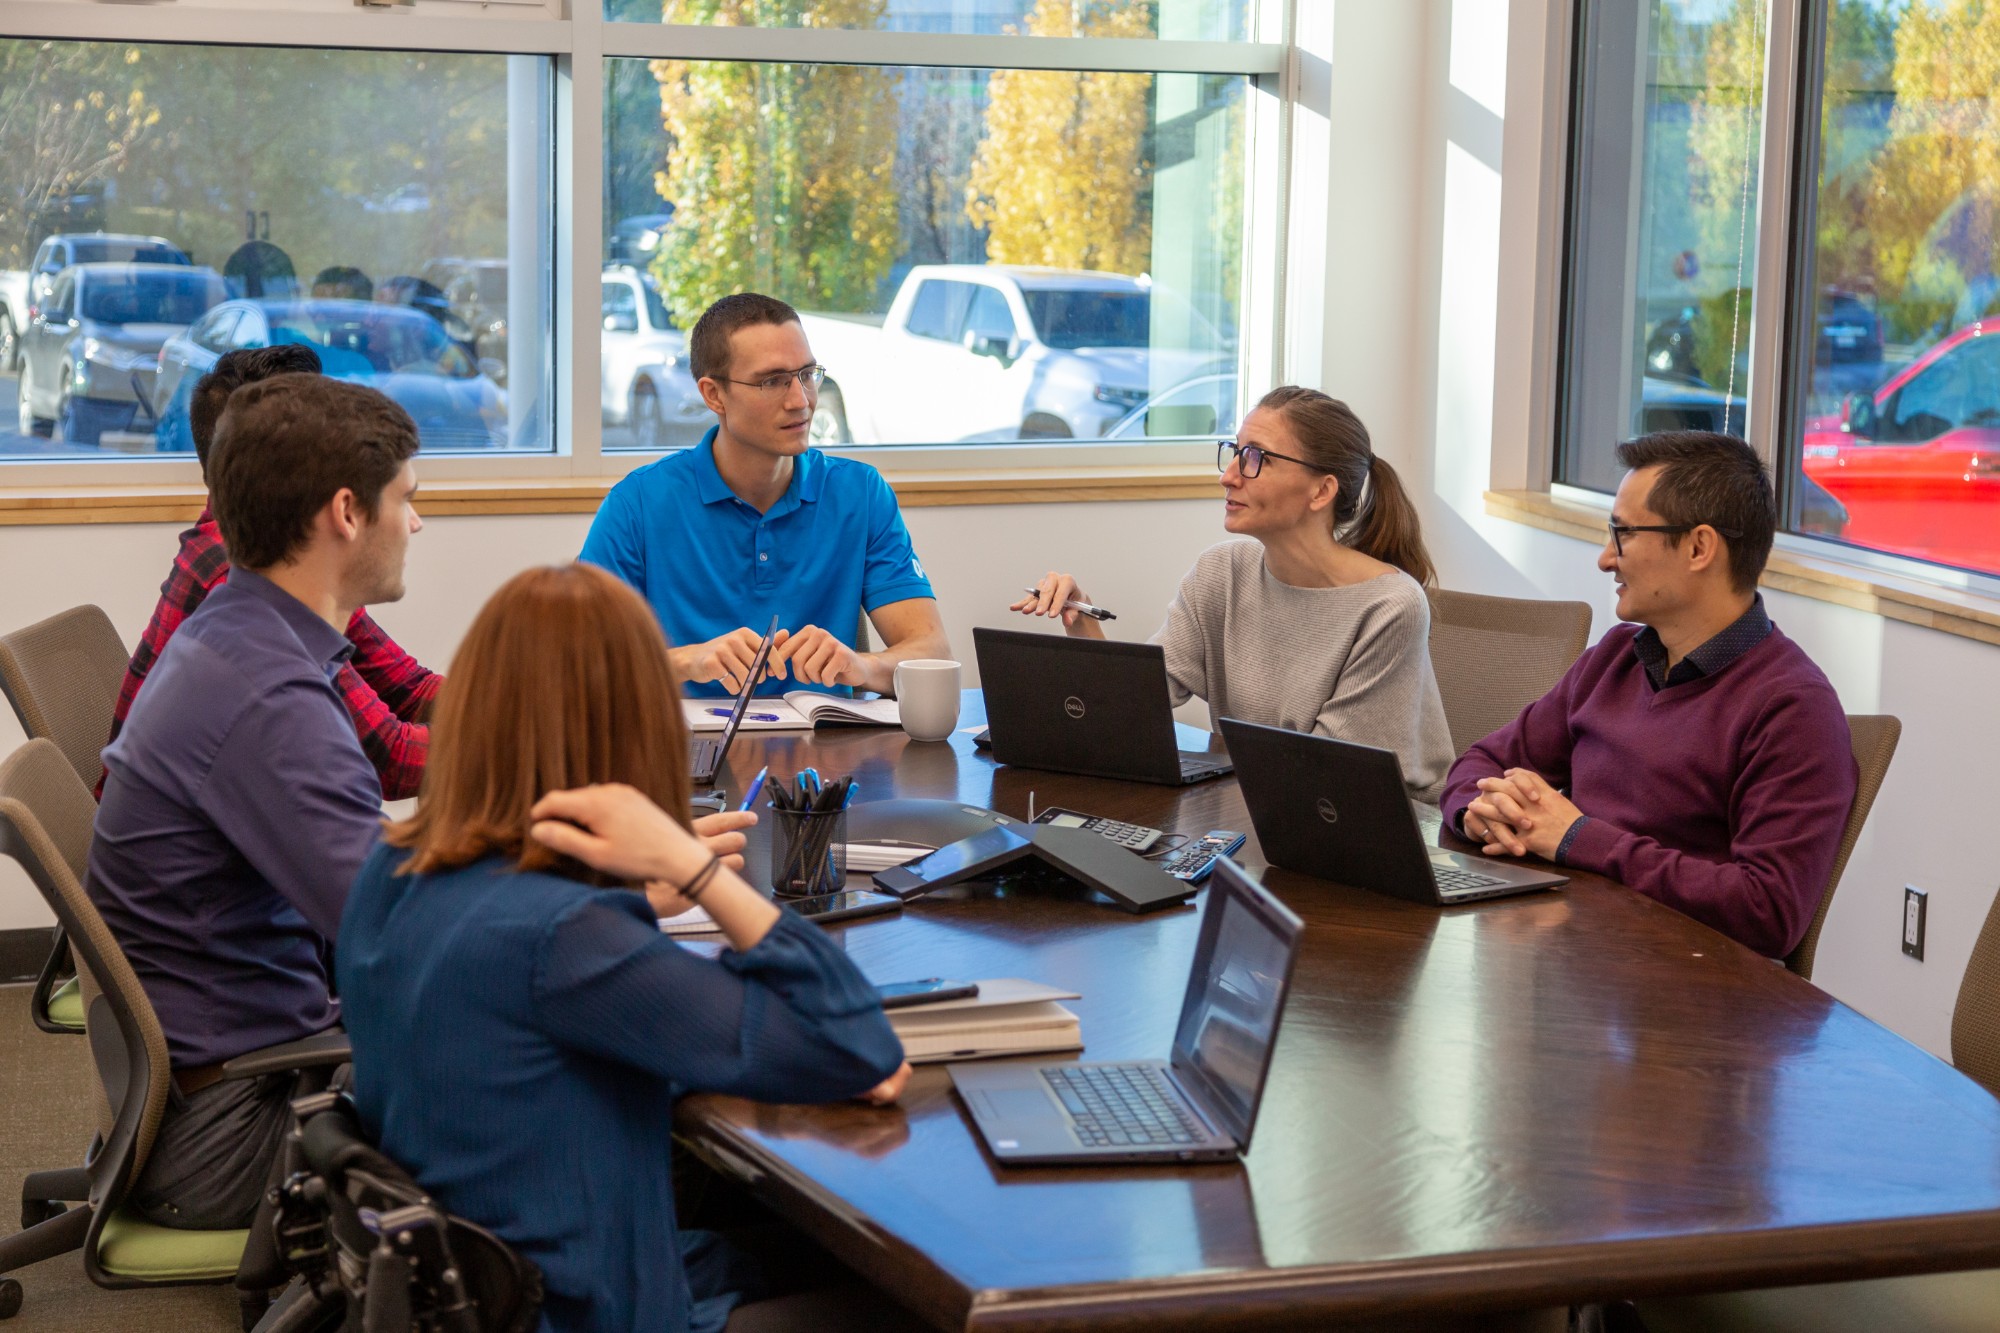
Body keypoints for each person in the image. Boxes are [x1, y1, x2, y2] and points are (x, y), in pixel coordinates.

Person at [338, 563, 910, 1333]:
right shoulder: (567, 938)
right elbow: (860, 1046)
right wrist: (696, 869)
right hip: (591, 1305)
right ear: (635, 724)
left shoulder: (394, 868)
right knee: (910, 1297)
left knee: (792, 1247)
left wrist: (632, 893)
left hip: (500, 1279)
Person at [89, 376, 424, 1229]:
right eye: (408, 500)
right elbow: (399, 935)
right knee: (561, 1072)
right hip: (234, 1126)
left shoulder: (241, 630)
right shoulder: (269, 695)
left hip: (226, 1076)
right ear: (346, 512)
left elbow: (365, 870)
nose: (416, 523)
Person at [1440, 431, 1857, 959]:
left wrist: (1577, 838)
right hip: (1575, 957)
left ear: (1699, 547)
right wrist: (1480, 810)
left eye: (1623, 534)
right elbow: (1481, 763)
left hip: (1687, 998)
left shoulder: (1794, 709)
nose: (1605, 560)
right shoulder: (1616, 657)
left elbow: (1769, 911)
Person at [1013, 386, 1453, 801]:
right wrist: (1081, 618)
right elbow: (1133, 709)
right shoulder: (1222, 572)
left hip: (1378, 828)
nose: (1228, 476)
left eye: (1256, 458)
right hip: (1269, 806)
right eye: (1235, 452)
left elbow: (1325, 774)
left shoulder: (1389, 607)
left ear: (1321, 490)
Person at [102, 345, 443, 801]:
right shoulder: (248, 593)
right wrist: (532, 740)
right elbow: (389, 760)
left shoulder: (290, 563)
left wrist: (525, 697)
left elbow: (407, 688)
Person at [580, 292, 950, 699]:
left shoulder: (860, 493)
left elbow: (931, 654)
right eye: (772, 381)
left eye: (807, 374)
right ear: (713, 395)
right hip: (686, 755)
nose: (801, 400)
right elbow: (573, 663)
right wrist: (686, 661)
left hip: (825, 753)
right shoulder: (638, 503)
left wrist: (862, 666)